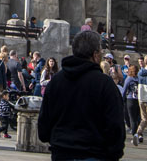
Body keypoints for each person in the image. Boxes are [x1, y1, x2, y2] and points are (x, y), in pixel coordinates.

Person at [38, 30, 125, 161]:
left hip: (62, 153)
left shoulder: (56, 82)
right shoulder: (105, 84)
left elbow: (43, 128)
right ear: (95, 55)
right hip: (95, 154)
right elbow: (116, 128)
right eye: (100, 52)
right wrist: (113, 154)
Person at [123, 63, 140, 145]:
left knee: (132, 119)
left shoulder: (129, 79)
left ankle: (134, 135)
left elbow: (124, 90)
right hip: (138, 99)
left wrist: (122, 100)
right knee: (137, 118)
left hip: (130, 99)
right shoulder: (139, 79)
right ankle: (138, 133)